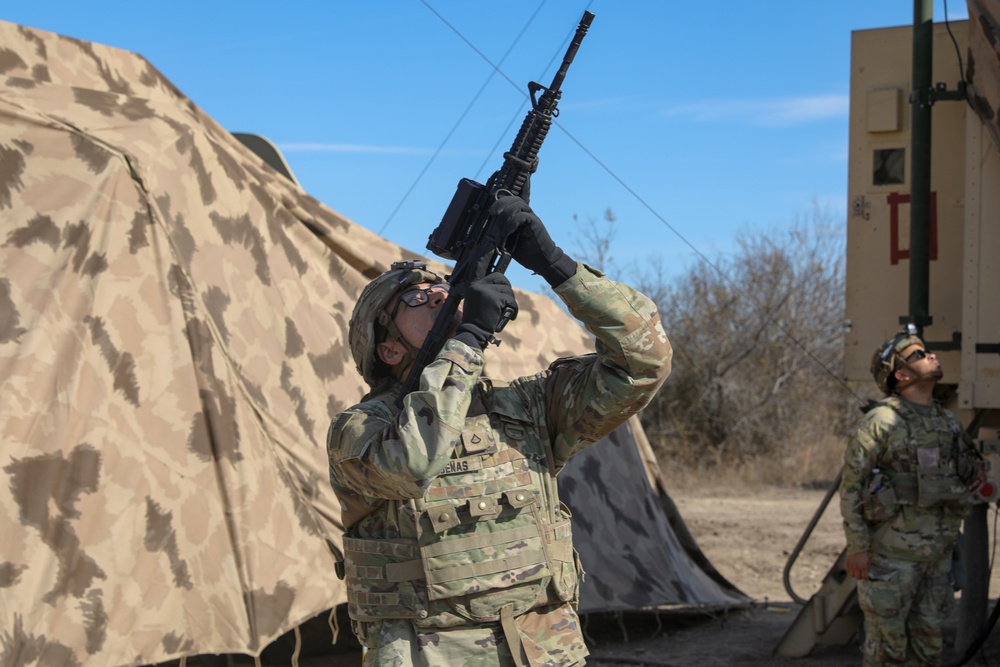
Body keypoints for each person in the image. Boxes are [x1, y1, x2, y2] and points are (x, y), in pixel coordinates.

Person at [326, 195, 672, 667]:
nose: (441, 295)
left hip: (542, 649)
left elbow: (644, 360)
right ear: (387, 350)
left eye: (443, 287)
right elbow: (413, 462)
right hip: (429, 653)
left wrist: (556, 267)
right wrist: (468, 342)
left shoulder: (526, 409)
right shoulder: (361, 429)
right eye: (416, 298)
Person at [840, 325, 985, 667]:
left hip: (936, 559)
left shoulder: (947, 423)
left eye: (927, 351)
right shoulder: (880, 422)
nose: (931, 355)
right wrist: (858, 547)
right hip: (890, 560)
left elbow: (967, 475)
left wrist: (975, 481)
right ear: (901, 375)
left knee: (929, 648)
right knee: (886, 650)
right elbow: (851, 487)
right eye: (919, 354)